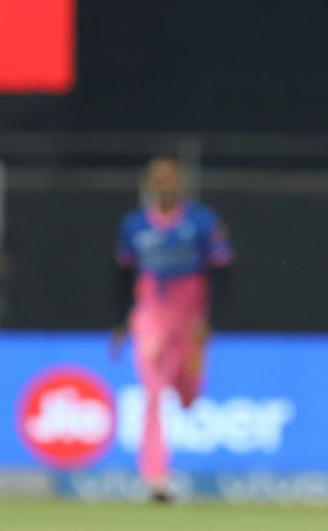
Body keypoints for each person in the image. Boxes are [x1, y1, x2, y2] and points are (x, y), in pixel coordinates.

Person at [112, 156, 234, 502]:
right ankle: (156, 478)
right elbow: (122, 275)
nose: (165, 185)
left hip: (190, 318)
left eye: (171, 179)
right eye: (158, 179)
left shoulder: (202, 222)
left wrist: (211, 321)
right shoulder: (134, 225)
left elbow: (223, 272)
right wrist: (121, 320)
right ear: (148, 184)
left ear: (181, 184)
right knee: (152, 392)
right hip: (150, 314)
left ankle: (188, 390)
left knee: (187, 394)